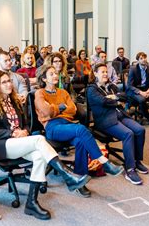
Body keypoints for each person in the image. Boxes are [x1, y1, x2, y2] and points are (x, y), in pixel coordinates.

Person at [0, 71, 90, 219]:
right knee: (38, 139)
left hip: (18, 142)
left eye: (9, 81)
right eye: (4, 82)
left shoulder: (15, 101)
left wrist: (24, 131)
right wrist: (12, 133)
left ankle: (31, 203)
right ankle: (68, 176)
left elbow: (26, 124)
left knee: (40, 156)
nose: (9, 84)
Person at [34, 65, 124, 198]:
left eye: (55, 73)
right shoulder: (40, 93)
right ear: (44, 78)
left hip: (67, 125)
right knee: (82, 129)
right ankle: (103, 162)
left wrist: (55, 109)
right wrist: (60, 107)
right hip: (52, 127)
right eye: (51, 74)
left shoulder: (63, 92)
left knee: (81, 141)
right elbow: (46, 111)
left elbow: (73, 110)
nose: (55, 76)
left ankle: (78, 181)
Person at [88, 63, 147, 185]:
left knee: (140, 130)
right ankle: (130, 169)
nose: (105, 74)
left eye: (106, 72)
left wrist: (115, 96)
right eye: (102, 72)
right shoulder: (91, 89)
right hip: (105, 120)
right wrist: (116, 101)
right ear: (95, 74)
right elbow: (103, 101)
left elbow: (126, 96)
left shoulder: (110, 87)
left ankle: (137, 161)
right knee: (128, 134)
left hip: (120, 115)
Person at [126, 52, 149, 124]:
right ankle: (148, 117)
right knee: (142, 99)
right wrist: (141, 92)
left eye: (144, 58)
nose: (143, 60)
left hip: (146, 88)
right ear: (138, 60)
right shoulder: (133, 69)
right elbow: (129, 85)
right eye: (141, 58)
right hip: (135, 90)